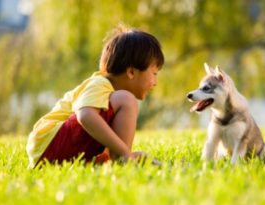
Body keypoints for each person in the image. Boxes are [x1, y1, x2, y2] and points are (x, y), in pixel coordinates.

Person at [26, 24, 164, 168]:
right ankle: (122, 157)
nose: (156, 82)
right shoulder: (100, 83)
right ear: (131, 72)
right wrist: (124, 152)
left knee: (119, 106)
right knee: (127, 100)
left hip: (51, 151)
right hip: (50, 145)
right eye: (154, 74)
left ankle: (119, 158)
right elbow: (85, 116)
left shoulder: (108, 98)